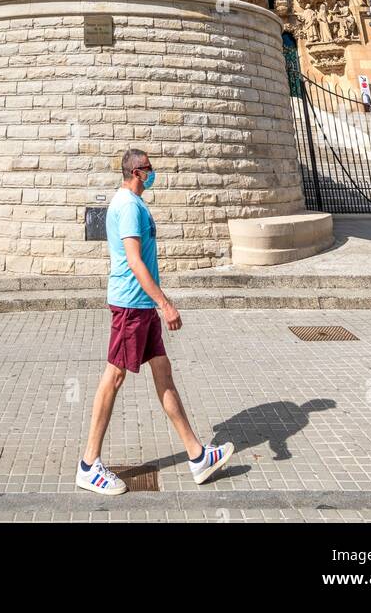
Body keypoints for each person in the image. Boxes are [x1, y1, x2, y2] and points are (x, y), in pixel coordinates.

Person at [76, 148, 235, 496]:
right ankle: (89, 465)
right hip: (132, 306)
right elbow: (134, 260)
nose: (153, 173)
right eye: (149, 168)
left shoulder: (132, 203)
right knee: (114, 376)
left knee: (163, 373)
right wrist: (165, 304)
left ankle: (197, 456)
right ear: (137, 171)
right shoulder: (129, 207)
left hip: (142, 307)